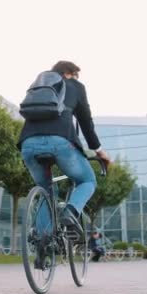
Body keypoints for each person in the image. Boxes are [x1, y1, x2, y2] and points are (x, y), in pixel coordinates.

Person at [19, 61, 111, 239]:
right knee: (87, 180)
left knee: (46, 190)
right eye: (76, 75)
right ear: (69, 73)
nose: (77, 79)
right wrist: (98, 150)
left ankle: (42, 241)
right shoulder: (74, 85)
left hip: (28, 143)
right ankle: (70, 212)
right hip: (60, 142)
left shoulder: (38, 85)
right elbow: (85, 121)